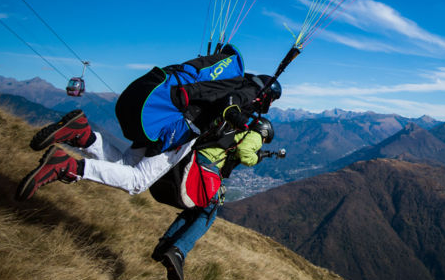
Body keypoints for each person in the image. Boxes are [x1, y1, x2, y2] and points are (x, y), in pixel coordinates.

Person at [15, 44, 282, 201]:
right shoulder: (250, 91)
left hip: (161, 114)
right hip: (178, 128)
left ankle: (84, 136)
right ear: (267, 96)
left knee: (125, 166)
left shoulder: (227, 77)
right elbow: (233, 101)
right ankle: (70, 165)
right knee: (137, 181)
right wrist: (236, 116)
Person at [151, 117, 280, 280]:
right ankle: (178, 251)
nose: (262, 142)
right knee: (207, 213)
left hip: (196, 158)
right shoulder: (254, 135)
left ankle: (163, 246)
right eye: (264, 139)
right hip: (208, 167)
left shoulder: (237, 129)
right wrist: (256, 158)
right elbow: (245, 152)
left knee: (194, 209)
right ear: (264, 132)